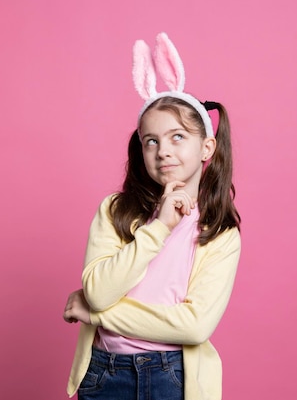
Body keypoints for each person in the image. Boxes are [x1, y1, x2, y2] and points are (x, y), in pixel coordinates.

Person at [63, 32, 241, 400]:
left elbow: (193, 328)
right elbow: (98, 292)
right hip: (103, 373)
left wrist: (98, 316)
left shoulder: (220, 232)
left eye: (178, 137)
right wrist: (159, 227)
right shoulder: (115, 210)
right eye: (152, 141)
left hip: (173, 377)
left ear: (206, 146)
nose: (163, 151)